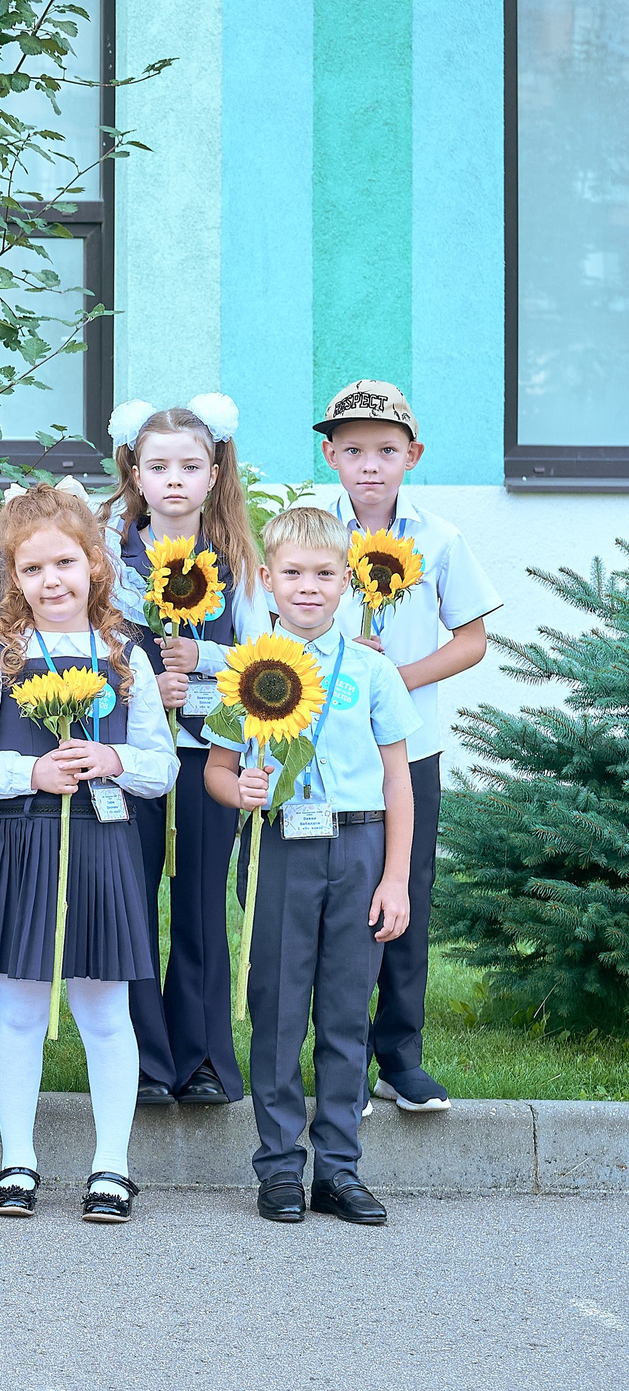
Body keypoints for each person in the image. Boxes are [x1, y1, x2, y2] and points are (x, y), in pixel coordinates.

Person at [0, 484, 178, 1223]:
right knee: (16, 1007)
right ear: (14, 577)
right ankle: (16, 1160)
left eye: (66, 564)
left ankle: (112, 1165)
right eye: (35, 568)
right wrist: (31, 773)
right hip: (23, 839)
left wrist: (111, 760)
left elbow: (161, 765)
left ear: (95, 564)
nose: (53, 581)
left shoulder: (125, 654)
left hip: (103, 842)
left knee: (106, 1010)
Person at [209, 506, 419, 1225]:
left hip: (358, 847)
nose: (308, 588)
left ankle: (338, 1168)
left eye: (324, 574)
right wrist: (239, 789)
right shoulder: (246, 669)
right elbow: (217, 769)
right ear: (266, 580)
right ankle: (277, 1168)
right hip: (279, 850)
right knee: (277, 1008)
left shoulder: (372, 670)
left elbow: (399, 780)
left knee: (343, 1013)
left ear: (346, 583)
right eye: (293, 573)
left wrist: (395, 878)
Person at [318, 381, 500, 1113]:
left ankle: (400, 1054)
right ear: (329, 455)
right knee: (335, 902)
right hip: (327, 752)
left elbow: (473, 640)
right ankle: (343, 1059)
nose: (370, 465)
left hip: (408, 750)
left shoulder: (439, 539)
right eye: (354, 450)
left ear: (412, 457)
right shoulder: (310, 531)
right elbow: (285, 618)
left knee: (407, 897)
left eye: (387, 451)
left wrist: (393, 675)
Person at [105, 398, 261, 1106]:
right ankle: (143, 1058)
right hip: (132, 762)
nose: (174, 480)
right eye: (158, 465)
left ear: (214, 470)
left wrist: (206, 658)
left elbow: (268, 661)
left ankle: (199, 1057)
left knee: (199, 903)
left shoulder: (237, 561)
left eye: (190, 466)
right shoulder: (110, 557)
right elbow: (87, 649)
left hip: (207, 758)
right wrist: (142, 680)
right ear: (133, 472)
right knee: (131, 899)